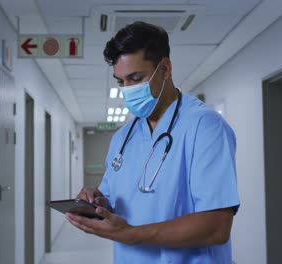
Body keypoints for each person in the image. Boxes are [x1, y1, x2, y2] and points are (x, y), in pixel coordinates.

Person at [66, 21, 240, 263]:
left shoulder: (205, 127)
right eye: (121, 82)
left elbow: (217, 227)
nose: (127, 90)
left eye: (136, 78)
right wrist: (97, 200)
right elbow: (116, 199)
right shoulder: (123, 138)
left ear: (165, 68)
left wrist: (131, 234)